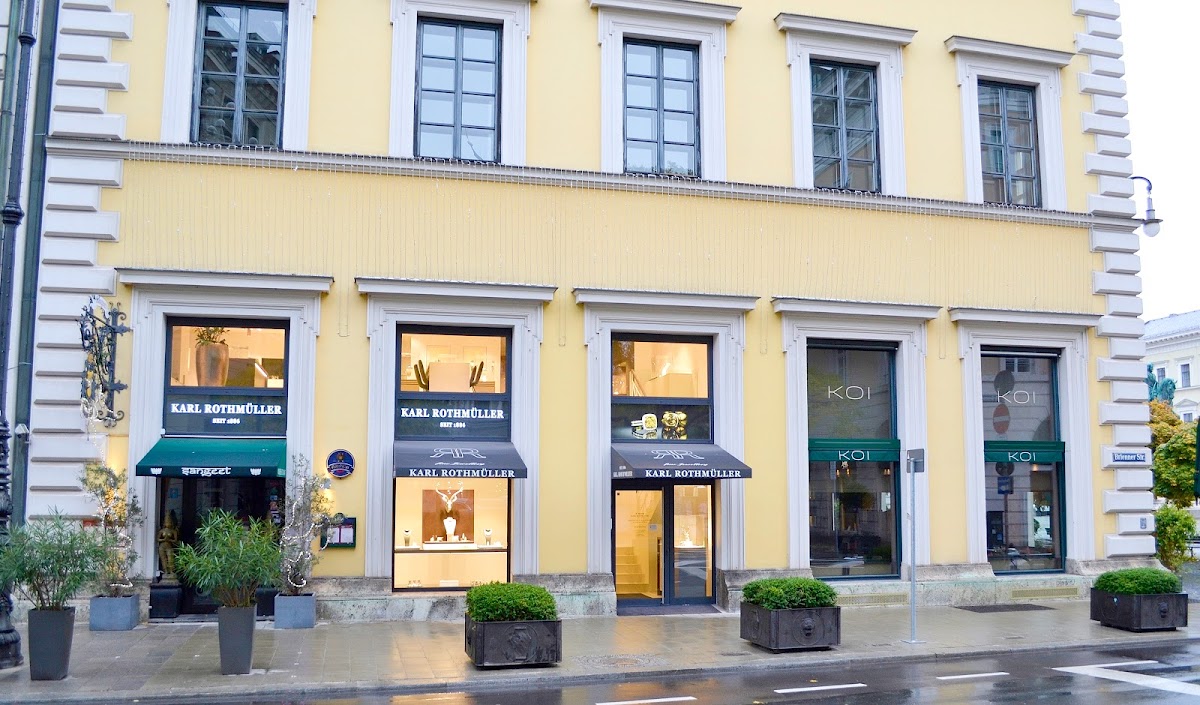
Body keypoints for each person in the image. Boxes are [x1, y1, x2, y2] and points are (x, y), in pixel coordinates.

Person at [157, 510, 180, 581]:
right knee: (163, 559)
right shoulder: (162, 531)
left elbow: (175, 540)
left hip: (169, 546)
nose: (168, 523)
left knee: (170, 559)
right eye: (166, 522)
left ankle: (171, 571)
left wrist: (169, 540)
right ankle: (166, 571)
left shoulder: (173, 531)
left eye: (169, 522)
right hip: (162, 546)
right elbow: (158, 539)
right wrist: (164, 539)